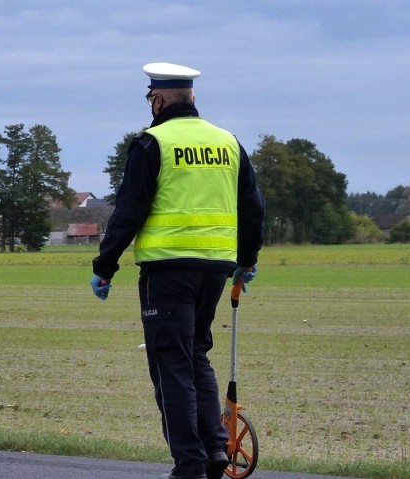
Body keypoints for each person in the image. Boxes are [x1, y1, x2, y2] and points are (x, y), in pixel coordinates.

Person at [90, 62, 266, 479]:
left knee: (171, 364)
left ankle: (188, 463)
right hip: (216, 270)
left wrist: (105, 265)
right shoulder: (228, 143)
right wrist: (248, 259)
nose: (150, 104)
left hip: (168, 270)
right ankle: (214, 450)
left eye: (151, 97)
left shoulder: (153, 143)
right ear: (192, 98)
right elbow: (254, 207)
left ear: (159, 98)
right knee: (196, 356)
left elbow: (129, 211)